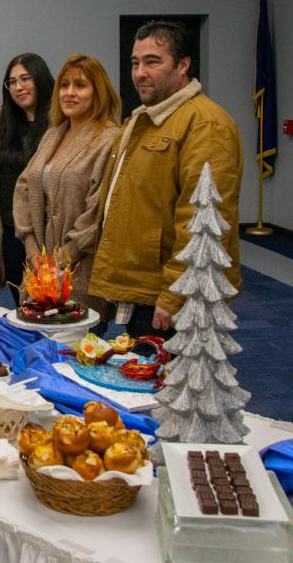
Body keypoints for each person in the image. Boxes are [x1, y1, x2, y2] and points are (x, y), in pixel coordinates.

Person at [88, 21, 243, 339]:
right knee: (140, 379)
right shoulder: (143, 120)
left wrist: (176, 294)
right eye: (135, 62)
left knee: (175, 384)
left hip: (171, 295)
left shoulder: (205, 125)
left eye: (152, 61)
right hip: (141, 288)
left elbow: (205, 222)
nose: (140, 72)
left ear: (183, 64)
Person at [12, 55, 120, 304]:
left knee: (76, 341)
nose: (69, 93)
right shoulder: (53, 134)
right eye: (64, 85)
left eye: (80, 86)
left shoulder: (109, 139)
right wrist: (32, 253)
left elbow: (99, 212)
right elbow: (24, 189)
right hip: (39, 267)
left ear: (98, 92)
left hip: (81, 270)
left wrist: (60, 261)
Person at [0, 53, 54, 305]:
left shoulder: (61, 124)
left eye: (25, 79)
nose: (18, 87)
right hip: (10, 235)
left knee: (54, 310)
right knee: (23, 308)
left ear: (41, 79)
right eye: (12, 82)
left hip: (48, 237)